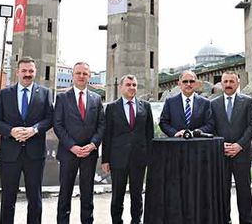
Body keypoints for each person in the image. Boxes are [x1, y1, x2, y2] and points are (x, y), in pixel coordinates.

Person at [0, 56, 54, 224]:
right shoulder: (5, 94)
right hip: (10, 154)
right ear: (17, 72)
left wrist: (34, 130)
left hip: (34, 155)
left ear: (35, 72)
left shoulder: (45, 93)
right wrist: (11, 131)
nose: (27, 74)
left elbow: (50, 119)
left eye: (31, 71)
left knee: (35, 198)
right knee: (8, 198)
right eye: (24, 71)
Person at [53, 62, 105, 224]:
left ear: (89, 76)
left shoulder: (96, 99)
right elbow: (58, 125)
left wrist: (92, 145)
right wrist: (72, 146)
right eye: (78, 73)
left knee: (87, 193)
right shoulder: (62, 98)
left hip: (89, 154)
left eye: (85, 73)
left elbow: (101, 125)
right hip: (69, 153)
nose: (81, 76)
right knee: (65, 193)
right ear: (73, 76)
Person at [101, 75, 154, 224]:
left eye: (134, 85)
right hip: (118, 158)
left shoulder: (146, 106)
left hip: (139, 158)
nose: (132, 88)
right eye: (128, 84)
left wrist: (150, 157)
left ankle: (136, 221)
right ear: (121, 87)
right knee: (117, 195)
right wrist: (105, 159)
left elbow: (149, 134)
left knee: (137, 195)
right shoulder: (111, 108)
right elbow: (107, 135)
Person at [210, 71, 252, 224]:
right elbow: (211, 127)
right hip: (221, 155)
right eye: (225, 81)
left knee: (244, 193)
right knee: (222, 193)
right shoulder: (213, 104)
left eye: (231, 81)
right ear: (221, 83)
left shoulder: (247, 102)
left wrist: (239, 145)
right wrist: (220, 144)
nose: (228, 84)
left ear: (238, 82)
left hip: (242, 154)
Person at [159, 70, 213, 137]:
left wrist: (195, 133)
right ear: (179, 84)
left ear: (196, 83)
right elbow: (163, 123)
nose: (188, 84)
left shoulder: (205, 103)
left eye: (191, 81)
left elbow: (210, 124)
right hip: (176, 143)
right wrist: (175, 133)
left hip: (198, 144)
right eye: (185, 81)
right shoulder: (170, 102)